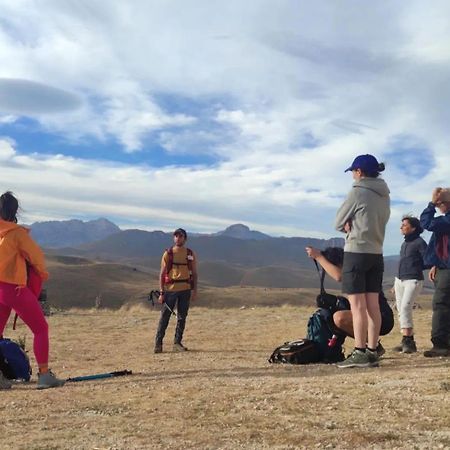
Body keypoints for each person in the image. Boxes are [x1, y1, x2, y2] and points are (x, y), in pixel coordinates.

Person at [0, 191, 64, 389]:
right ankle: (44, 375)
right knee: (40, 329)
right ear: (15, 210)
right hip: (13, 289)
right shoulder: (16, 234)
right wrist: (41, 274)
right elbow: (36, 256)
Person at [334, 154, 390, 368]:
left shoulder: (357, 192)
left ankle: (359, 352)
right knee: (372, 306)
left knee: (357, 306)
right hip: (377, 253)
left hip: (356, 251)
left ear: (359, 172)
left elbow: (338, 221)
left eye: (354, 172)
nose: (353, 177)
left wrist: (346, 224)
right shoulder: (385, 194)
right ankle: (372, 351)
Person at [305, 246, 394, 355]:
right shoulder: (356, 269)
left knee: (339, 318)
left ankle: (373, 347)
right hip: (373, 316)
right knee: (335, 314)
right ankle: (370, 346)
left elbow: (339, 276)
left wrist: (318, 256)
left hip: (382, 318)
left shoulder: (355, 270)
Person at [154, 228, 198, 353]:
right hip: (170, 290)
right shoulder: (168, 253)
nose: (178, 238)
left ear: (185, 238)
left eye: (181, 236)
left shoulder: (190, 253)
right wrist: (162, 292)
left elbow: (194, 273)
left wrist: (194, 291)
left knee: (182, 317)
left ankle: (177, 343)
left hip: (185, 289)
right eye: (176, 236)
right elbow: (162, 274)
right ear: (174, 238)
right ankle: (158, 344)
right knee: (165, 316)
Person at [420, 187, 450, 357]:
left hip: (448, 270)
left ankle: (440, 344)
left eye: (440, 205)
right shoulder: (445, 222)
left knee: (441, 304)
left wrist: (431, 203)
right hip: (443, 266)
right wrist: (435, 264)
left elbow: (426, 223)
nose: (438, 208)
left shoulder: (447, 221)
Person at [393, 216, 427, 353]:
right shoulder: (404, 244)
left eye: (404, 225)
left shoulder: (420, 242)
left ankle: (408, 341)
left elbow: (428, 259)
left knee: (406, 307)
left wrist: (416, 267)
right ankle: (407, 340)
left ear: (413, 228)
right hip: (400, 280)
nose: (401, 227)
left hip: (413, 279)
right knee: (401, 310)